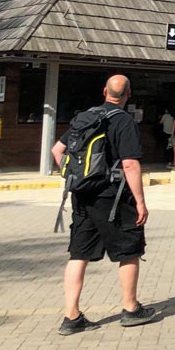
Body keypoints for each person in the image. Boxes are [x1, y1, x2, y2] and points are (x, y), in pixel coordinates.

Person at [52, 74, 155, 335]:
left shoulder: (85, 118)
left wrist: (75, 177)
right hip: (113, 197)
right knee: (128, 250)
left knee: (79, 254)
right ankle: (131, 308)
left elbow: (56, 151)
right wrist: (140, 202)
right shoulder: (124, 121)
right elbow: (130, 164)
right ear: (129, 94)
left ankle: (71, 316)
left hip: (82, 195)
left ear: (104, 91)